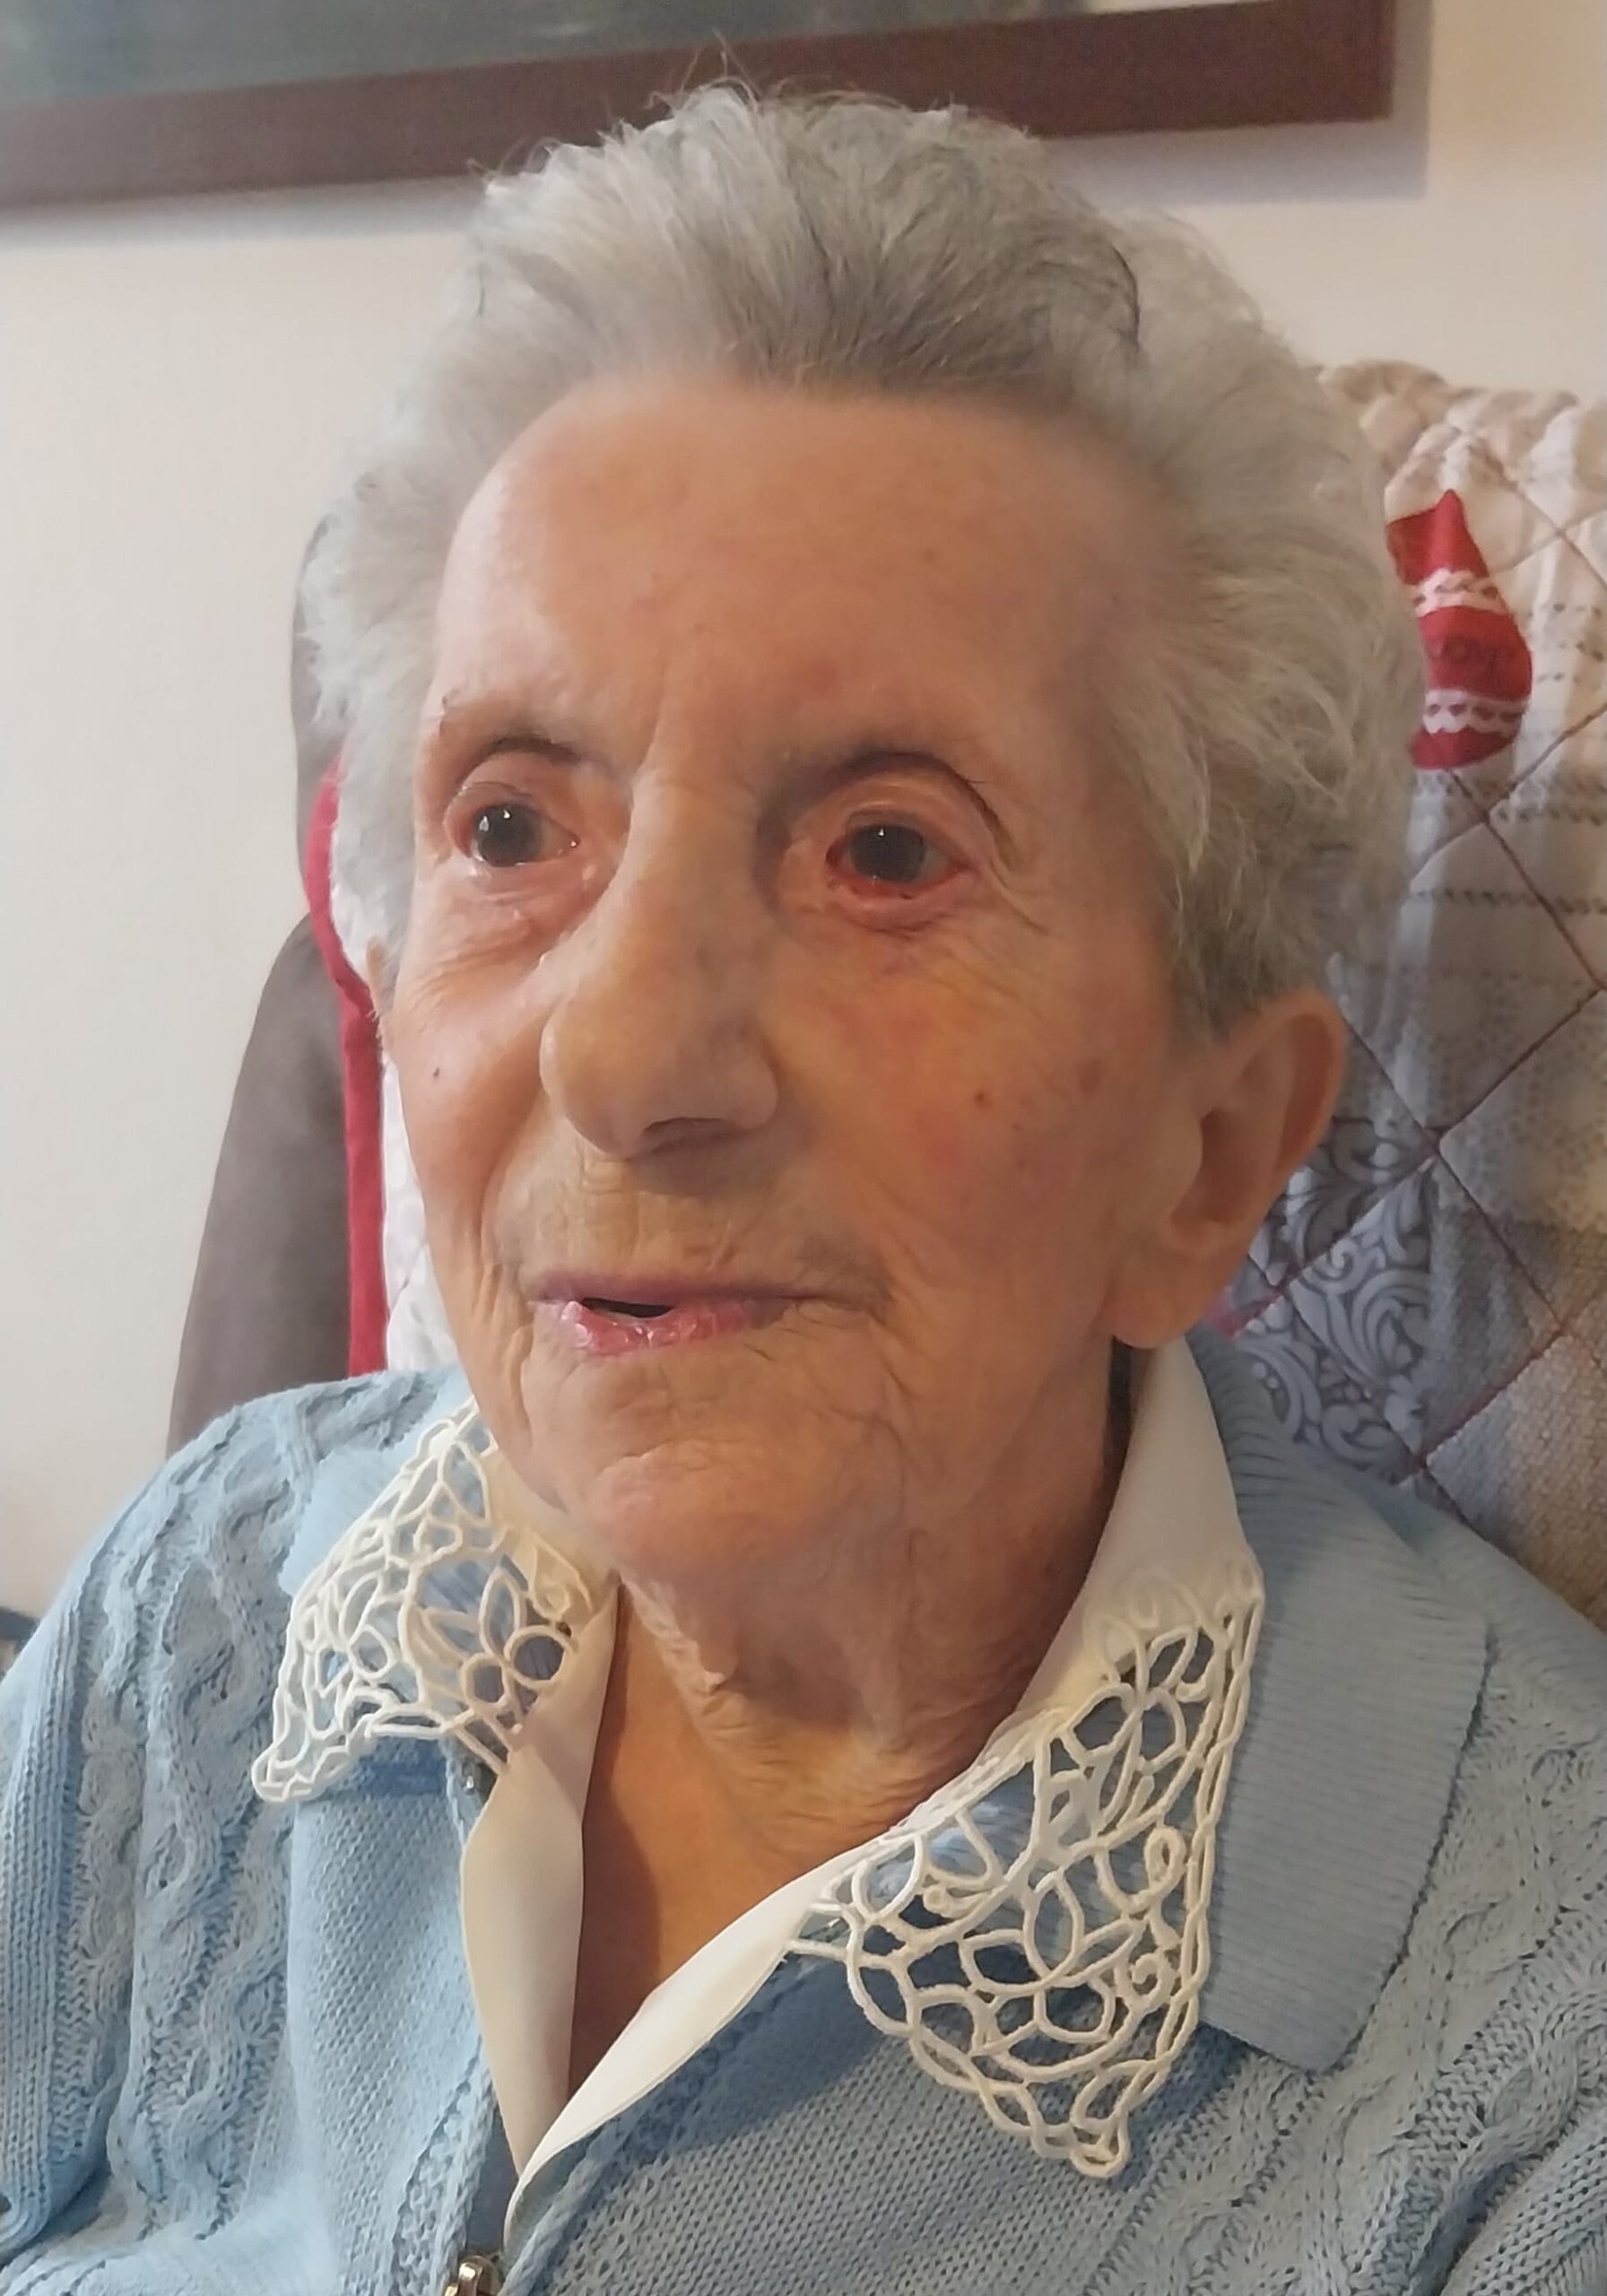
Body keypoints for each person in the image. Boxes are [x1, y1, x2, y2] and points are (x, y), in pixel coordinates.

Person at [3, 89, 1603, 2296]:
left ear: (1208, 1149)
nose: (623, 1055)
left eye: (885, 850)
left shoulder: (1531, 2072)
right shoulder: (194, 1603)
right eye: (509, 824)